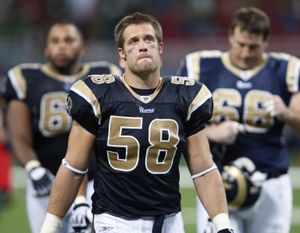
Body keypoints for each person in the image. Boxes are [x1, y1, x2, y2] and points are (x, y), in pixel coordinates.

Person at [40, 12, 233, 233]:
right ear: (122, 55)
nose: (143, 46)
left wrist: (222, 225)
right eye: (134, 41)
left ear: (160, 48)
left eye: (149, 39)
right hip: (114, 220)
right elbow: (73, 168)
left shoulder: (184, 95)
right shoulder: (99, 94)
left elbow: (204, 171)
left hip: (169, 221)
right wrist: (50, 226)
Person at [178, 6, 300, 233]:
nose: (245, 53)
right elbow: (175, 125)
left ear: (266, 42)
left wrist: (287, 113)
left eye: (253, 47)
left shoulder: (286, 68)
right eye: (240, 44)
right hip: (217, 179)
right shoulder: (200, 66)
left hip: (270, 180)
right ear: (230, 36)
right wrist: (213, 133)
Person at [1, 21, 121, 233]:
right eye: (55, 41)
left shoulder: (104, 76)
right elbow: (17, 133)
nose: (62, 46)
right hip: (44, 178)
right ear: (46, 49)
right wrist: (32, 167)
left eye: (69, 40)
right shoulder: (26, 78)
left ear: (82, 47)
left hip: (94, 179)